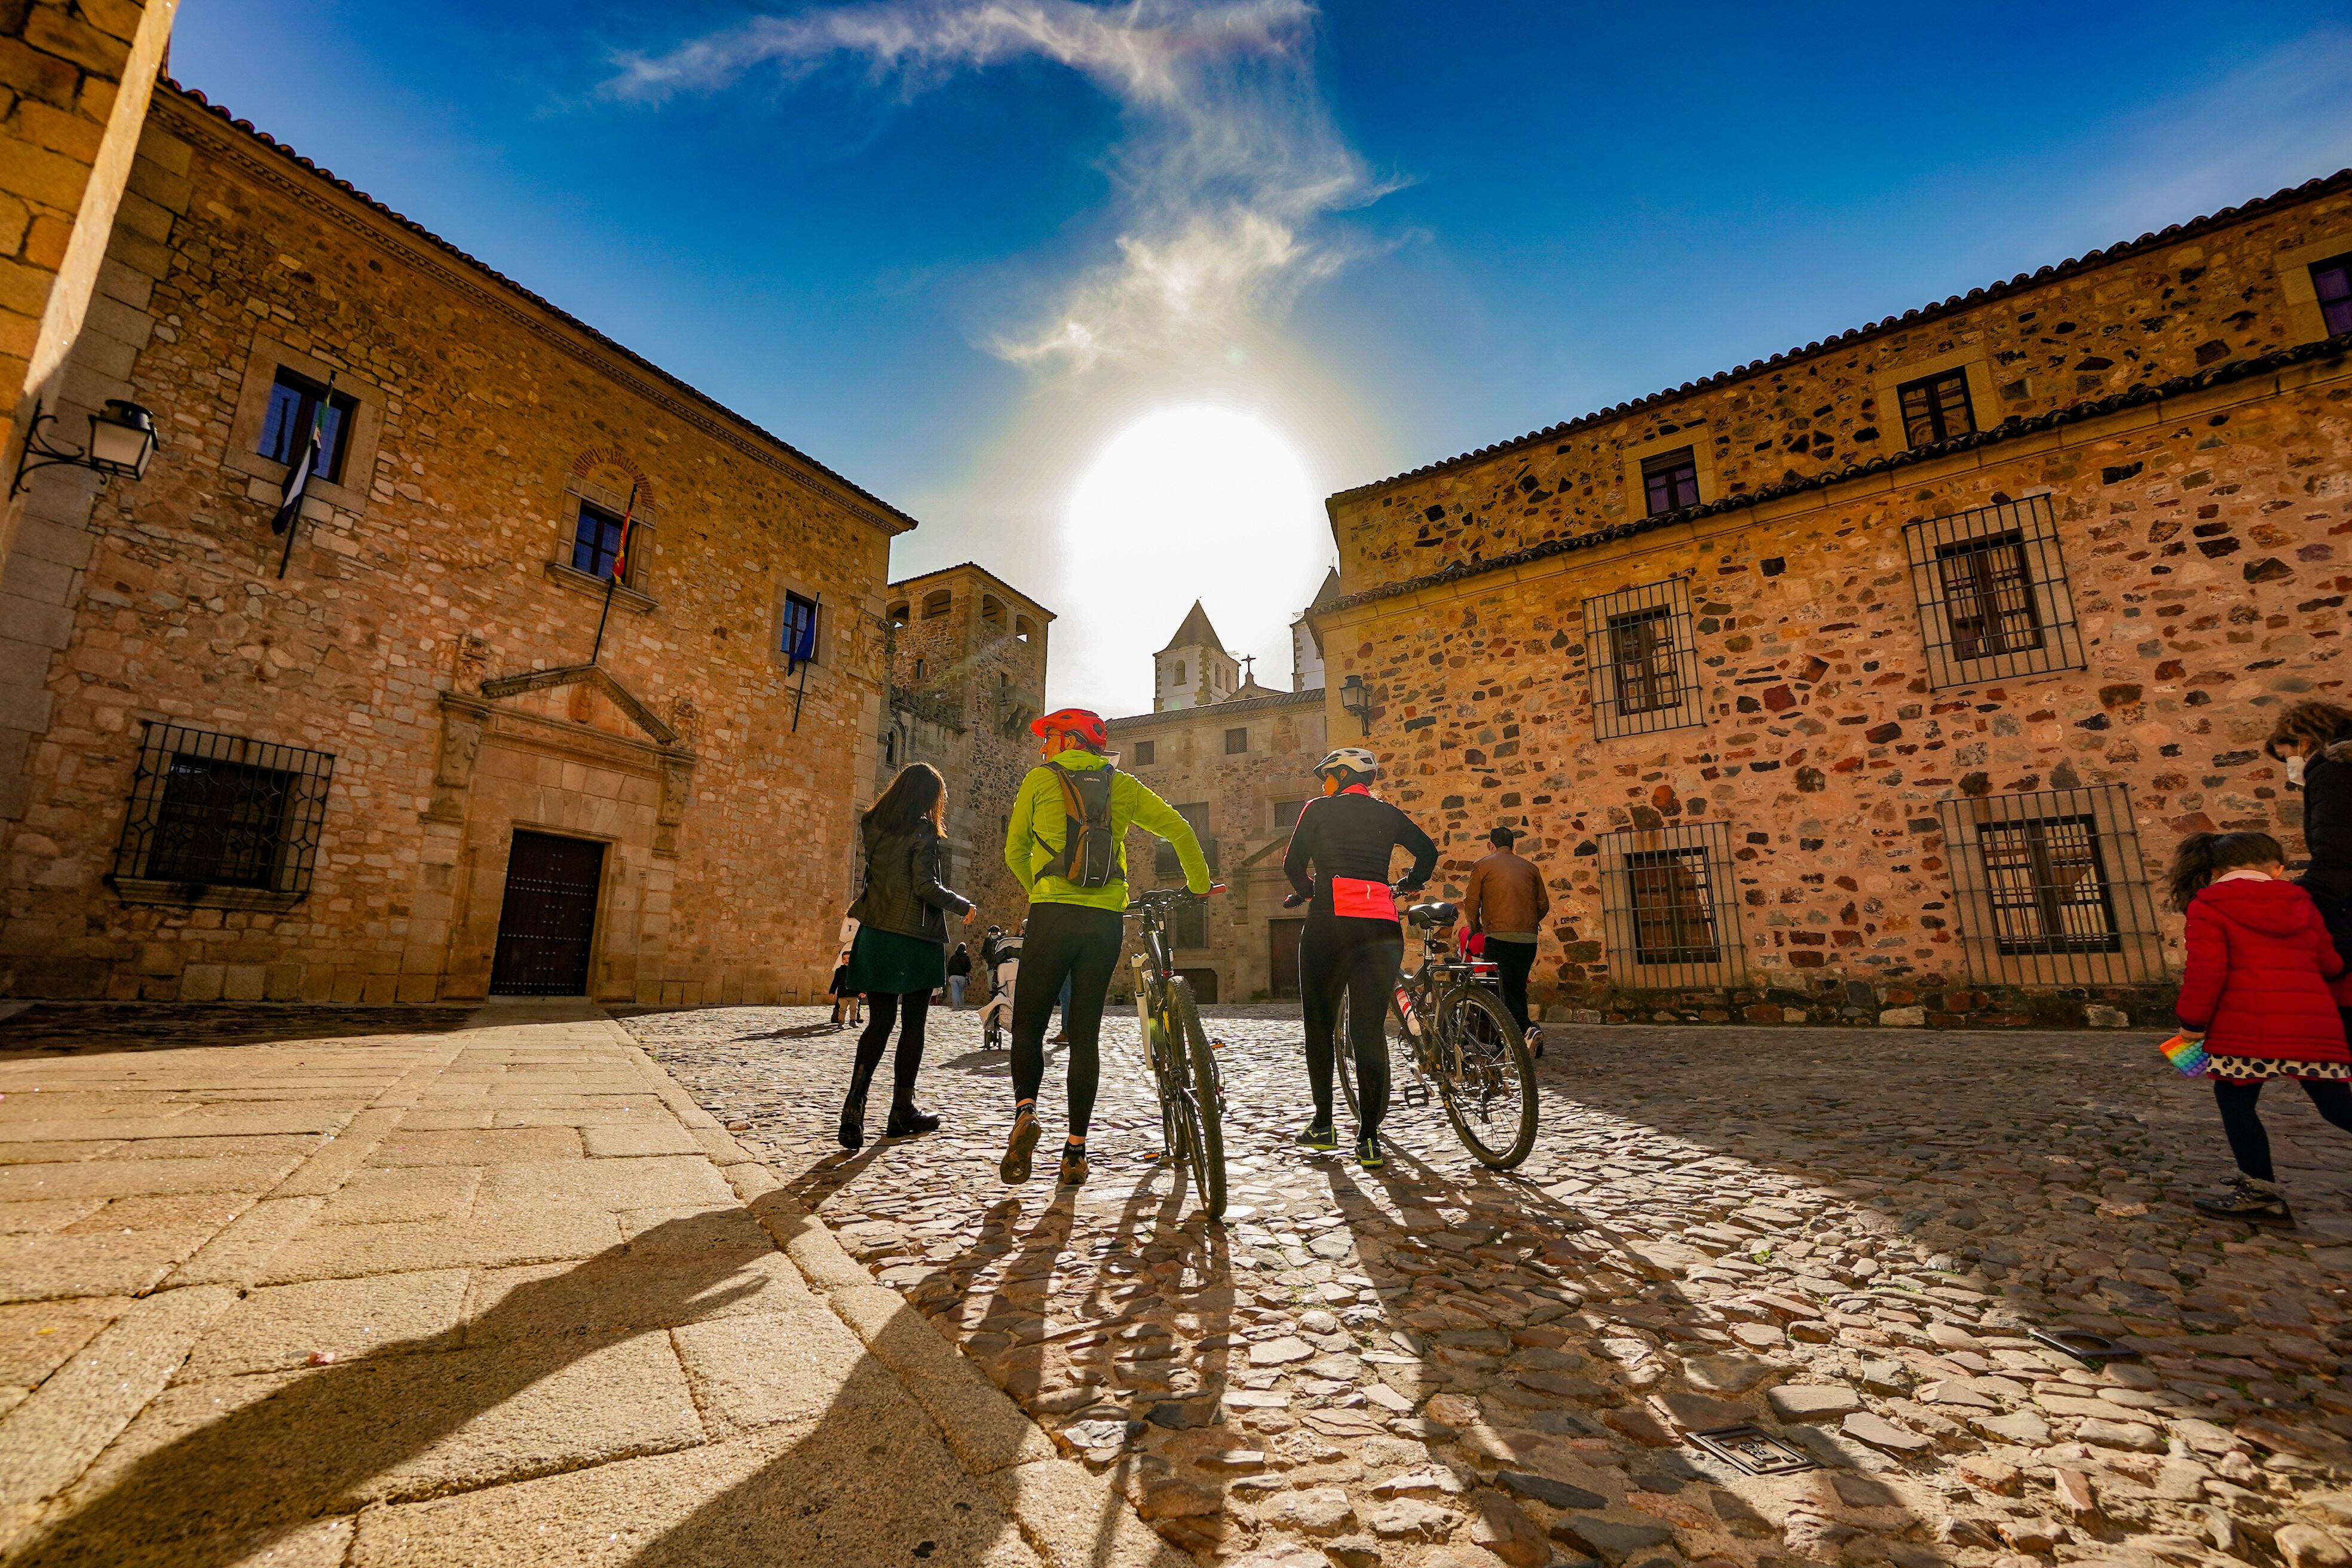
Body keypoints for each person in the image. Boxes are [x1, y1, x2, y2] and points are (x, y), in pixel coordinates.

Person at [1001, 708, 1209, 1190]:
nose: (1042, 747)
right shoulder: (1124, 785)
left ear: (1068, 740)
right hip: (1104, 922)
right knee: (1085, 1034)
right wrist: (1199, 886)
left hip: (1053, 914)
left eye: (1048, 737)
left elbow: (1014, 851)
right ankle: (1075, 1150)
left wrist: (1041, 889)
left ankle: (1026, 1111)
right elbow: (1179, 829)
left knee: (1030, 1025)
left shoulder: (1038, 780)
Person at [2169, 831, 2351, 1225]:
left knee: (2237, 1105)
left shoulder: (2209, 905)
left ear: (2215, 870)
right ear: (2279, 868)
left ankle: (2261, 1192)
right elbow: (2331, 965)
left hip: (2244, 1029)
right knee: (2338, 1108)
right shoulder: (2302, 902)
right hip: (2311, 1025)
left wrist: (2192, 1025)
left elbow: (2207, 970)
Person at [1283, 746, 1438, 1170]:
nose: (1323, 785)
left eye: (1327, 776)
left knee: (1319, 1024)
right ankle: (1369, 1138)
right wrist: (1409, 883)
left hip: (1329, 924)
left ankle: (1323, 1124)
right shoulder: (1388, 814)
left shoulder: (1318, 809)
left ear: (1341, 775)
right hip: (1381, 927)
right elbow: (1428, 853)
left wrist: (1310, 891)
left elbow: (1293, 864)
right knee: (1367, 1032)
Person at [837, 762, 975, 1151]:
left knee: (878, 1024)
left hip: (876, 933)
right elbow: (924, 885)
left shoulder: (873, 823)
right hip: (914, 938)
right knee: (913, 1025)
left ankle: (854, 1109)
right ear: (927, 797)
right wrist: (962, 904)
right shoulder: (924, 829)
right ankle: (902, 1111)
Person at [2267, 701, 2352, 1040]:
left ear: (2305, 740)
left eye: (2288, 755)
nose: (2291, 765)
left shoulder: (2333, 770)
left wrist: (2299, 893)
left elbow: (2337, 847)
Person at [1461, 825, 1550, 1056]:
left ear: (1491, 844)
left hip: (1499, 937)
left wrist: (1475, 928)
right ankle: (1518, 1040)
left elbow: (1471, 904)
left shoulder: (1483, 865)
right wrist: (1528, 922)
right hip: (1528, 938)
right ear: (1513, 845)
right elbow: (1543, 905)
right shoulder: (1531, 868)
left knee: (1501, 991)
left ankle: (1526, 1030)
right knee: (1517, 988)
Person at [828, 914, 862, 1029]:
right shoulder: (849, 919)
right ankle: (837, 1013)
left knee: (858, 982)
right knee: (842, 982)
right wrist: (858, 932)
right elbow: (843, 937)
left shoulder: (869, 917)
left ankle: (856, 1014)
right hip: (849, 951)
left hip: (862, 950)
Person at [947, 942, 972, 1010]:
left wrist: (950, 974)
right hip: (962, 977)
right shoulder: (966, 958)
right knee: (961, 991)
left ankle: (955, 1006)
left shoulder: (953, 957)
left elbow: (949, 967)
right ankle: (961, 1005)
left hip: (953, 977)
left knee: (955, 991)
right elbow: (968, 968)